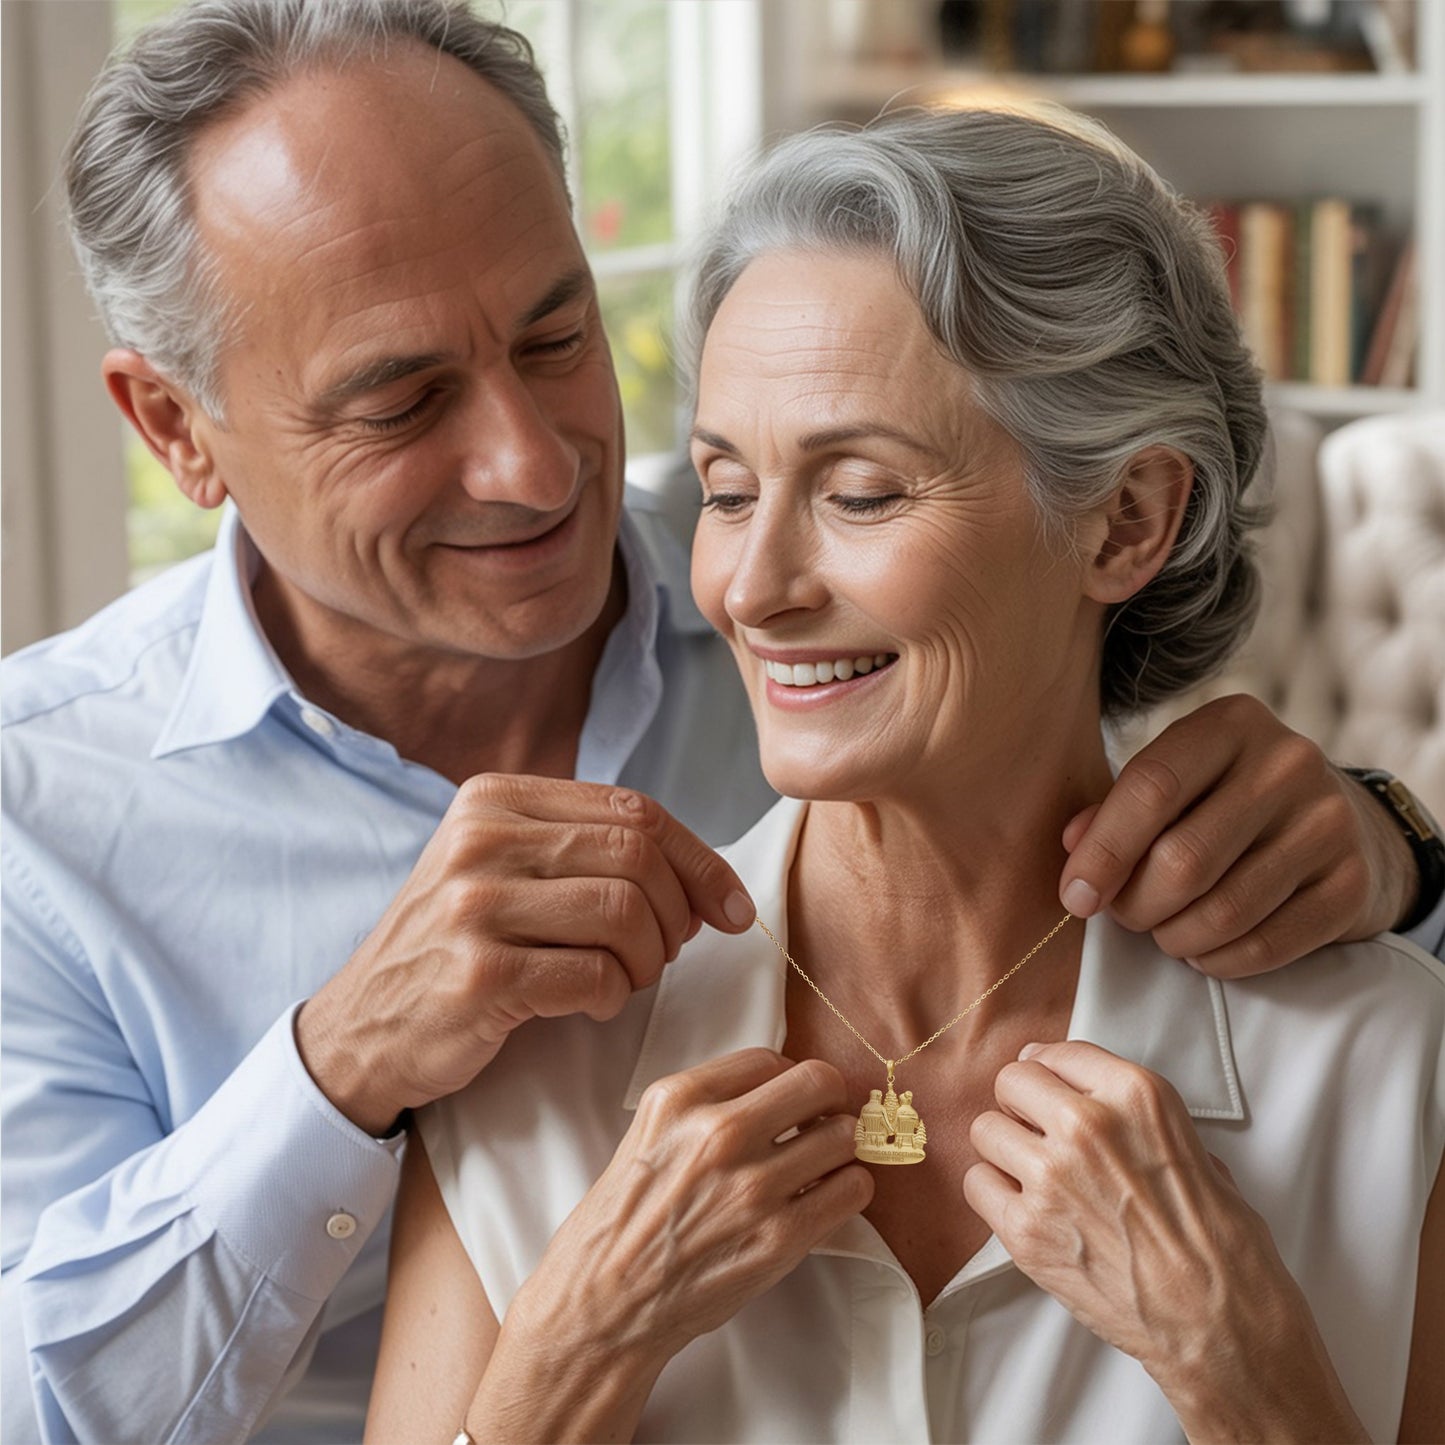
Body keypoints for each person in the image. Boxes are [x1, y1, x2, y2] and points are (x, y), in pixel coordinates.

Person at [0, 1, 1438, 1441]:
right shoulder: (48, 820)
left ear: (1127, 519)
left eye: (557, 336)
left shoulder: (1379, 1060)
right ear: (176, 430)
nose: (528, 464)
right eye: (400, 400)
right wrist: (340, 1076)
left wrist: (1402, 848)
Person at [370, 104, 1444, 1443]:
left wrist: (1242, 1364)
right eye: (724, 488)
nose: (750, 589)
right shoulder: (535, 1057)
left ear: (1125, 519)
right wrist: (573, 1349)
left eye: (861, 491)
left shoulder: (1388, 1059)